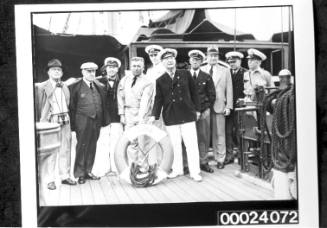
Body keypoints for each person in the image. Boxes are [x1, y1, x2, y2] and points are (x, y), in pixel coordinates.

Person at [149, 48, 202, 182]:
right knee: (175, 145)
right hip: (171, 116)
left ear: (175, 60)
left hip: (187, 115)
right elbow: (158, 99)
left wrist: (198, 110)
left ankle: (195, 172)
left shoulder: (185, 74)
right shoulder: (160, 80)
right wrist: (153, 115)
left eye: (171, 58)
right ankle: (177, 169)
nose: (169, 61)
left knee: (191, 145)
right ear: (162, 62)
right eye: (166, 59)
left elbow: (195, 93)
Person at [35, 59, 77, 190]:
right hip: (50, 120)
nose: (57, 72)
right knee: (51, 150)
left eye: (59, 70)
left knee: (66, 148)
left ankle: (64, 176)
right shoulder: (42, 87)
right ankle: (50, 180)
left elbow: (68, 102)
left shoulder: (64, 86)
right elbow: (39, 105)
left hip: (65, 118)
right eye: (54, 70)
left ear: (62, 72)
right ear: (48, 72)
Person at [69, 62, 108, 184]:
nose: (91, 73)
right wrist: (74, 125)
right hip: (82, 120)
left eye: (93, 71)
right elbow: (72, 107)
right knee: (82, 146)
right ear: (82, 72)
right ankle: (80, 173)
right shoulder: (74, 86)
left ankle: (88, 171)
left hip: (96, 121)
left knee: (92, 146)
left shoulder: (99, 86)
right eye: (88, 71)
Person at [117, 57, 154, 165]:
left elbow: (145, 101)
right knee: (131, 141)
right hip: (128, 113)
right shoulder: (124, 80)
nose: (136, 68)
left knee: (143, 142)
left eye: (139, 66)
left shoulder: (148, 82)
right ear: (130, 67)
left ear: (143, 68)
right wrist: (122, 114)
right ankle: (133, 166)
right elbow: (120, 97)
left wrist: (141, 117)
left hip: (142, 113)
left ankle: (143, 167)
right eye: (134, 66)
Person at [201, 46, 233, 170]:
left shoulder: (225, 70)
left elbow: (229, 90)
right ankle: (203, 160)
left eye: (215, 56)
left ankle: (220, 159)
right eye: (211, 55)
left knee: (220, 134)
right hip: (205, 107)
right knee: (204, 135)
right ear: (206, 56)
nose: (213, 58)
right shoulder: (202, 69)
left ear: (218, 57)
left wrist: (229, 106)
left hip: (220, 106)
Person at [92, 57, 123, 176]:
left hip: (117, 117)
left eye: (114, 67)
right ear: (106, 68)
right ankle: (102, 168)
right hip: (103, 117)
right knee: (102, 143)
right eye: (109, 67)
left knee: (117, 142)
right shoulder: (98, 82)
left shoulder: (122, 82)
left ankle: (116, 168)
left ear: (117, 69)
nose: (112, 70)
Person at [187, 49, 216, 173]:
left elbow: (212, 95)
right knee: (188, 139)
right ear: (190, 61)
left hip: (203, 112)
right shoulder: (184, 75)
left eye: (198, 60)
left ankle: (203, 162)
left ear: (201, 62)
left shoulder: (206, 76)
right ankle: (188, 164)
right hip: (188, 113)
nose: (195, 62)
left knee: (203, 137)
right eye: (193, 59)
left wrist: (204, 109)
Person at [224, 51, 247, 165]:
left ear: (240, 61)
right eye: (230, 62)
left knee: (240, 132)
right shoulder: (226, 72)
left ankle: (241, 155)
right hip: (229, 108)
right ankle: (229, 155)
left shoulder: (245, 73)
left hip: (240, 108)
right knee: (228, 132)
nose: (232, 64)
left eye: (234, 62)